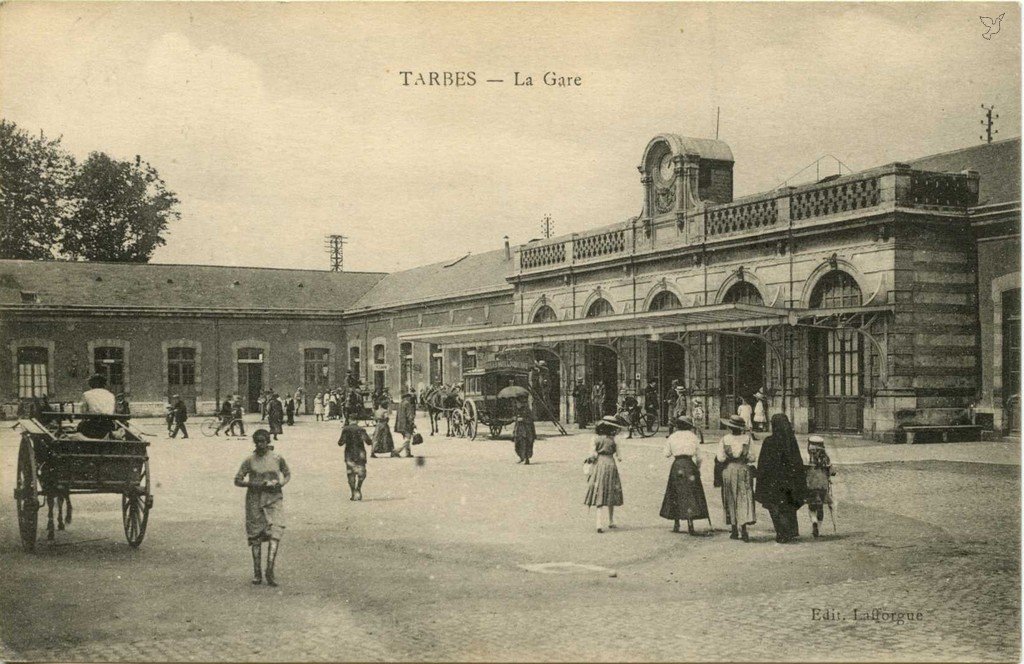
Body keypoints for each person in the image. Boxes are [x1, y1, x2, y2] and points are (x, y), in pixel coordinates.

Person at [234, 429, 290, 586]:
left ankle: (269, 570)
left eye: (263, 441)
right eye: (257, 441)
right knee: (256, 535)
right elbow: (237, 480)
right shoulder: (249, 460)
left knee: (276, 531)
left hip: (274, 498)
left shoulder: (277, 458)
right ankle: (257, 573)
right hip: (255, 500)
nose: (260, 444)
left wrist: (280, 483)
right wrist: (254, 484)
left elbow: (287, 474)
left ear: (268, 441)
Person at [754, 413, 806, 543]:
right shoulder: (791, 441)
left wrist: (761, 477)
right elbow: (797, 462)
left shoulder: (769, 441)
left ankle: (781, 532)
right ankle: (790, 531)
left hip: (773, 481)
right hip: (789, 481)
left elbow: (763, 462)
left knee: (775, 506)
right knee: (788, 505)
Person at [660, 416, 711, 536]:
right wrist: (697, 468)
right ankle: (690, 523)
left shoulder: (672, 437)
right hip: (689, 465)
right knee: (690, 493)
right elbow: (699, 457)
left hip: (677, 465)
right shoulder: (693, 437)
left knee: (675, 493)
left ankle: (676, 523)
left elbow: (666, 454)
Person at [716, 414, 756, 541]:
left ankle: (734, 529)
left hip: (729, 470)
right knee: (744, 498)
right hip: (743, 470)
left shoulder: (724, 439)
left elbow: (720, 458)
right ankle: (743, 529)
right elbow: (752, 458)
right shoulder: (748, 439)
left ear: (730, 427)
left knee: (730, 497)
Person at [584, 415, 626, 533]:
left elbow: (592, 455)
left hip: (599, 464)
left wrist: (589, 460)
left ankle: (598, 523)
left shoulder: (595, 439)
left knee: (599, 491)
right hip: (611, 465)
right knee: (610, 491)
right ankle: (611, 521)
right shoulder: (614, 440)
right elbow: (619, 457)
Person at [805, 435, 836, 538]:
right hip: (822, 486)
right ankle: (819, 527)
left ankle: (813, 521)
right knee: (820, 506)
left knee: (811, 506)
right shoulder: (826, 459)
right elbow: (832, 471)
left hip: (811, 485)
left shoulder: (807, 457)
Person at [338, 421, 374, 501]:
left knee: (351, 473)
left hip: (349, 454)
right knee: (362, 473)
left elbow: (340, 443)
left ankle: (353, 492)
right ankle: (358, 488)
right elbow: (368, 442)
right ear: (357, 421)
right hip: (360, 454)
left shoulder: (346, 429)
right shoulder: (361, 429)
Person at [393, 392, 417, 458]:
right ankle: (396, 451)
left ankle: (408, 453)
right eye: (409, 397)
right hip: (407, 424)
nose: (410, 399)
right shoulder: (407, 404)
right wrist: (412, 423)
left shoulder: (400, 404)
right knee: (408, 439)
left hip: (400, 424)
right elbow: (409, 415)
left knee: (407, 437)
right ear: (407, 397)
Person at [513, 398, 536, 464]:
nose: (517, 404)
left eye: (518, 403)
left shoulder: (527, 410)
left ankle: (526, 459)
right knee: (518, 444)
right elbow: (516, 420)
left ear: (521, 403)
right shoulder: (517, 410)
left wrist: (523, 419)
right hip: (519, 430)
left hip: (526, 430)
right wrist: (516, 419)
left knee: (526, 444)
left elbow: (531, 419)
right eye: (516, 403)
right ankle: (521, 457)